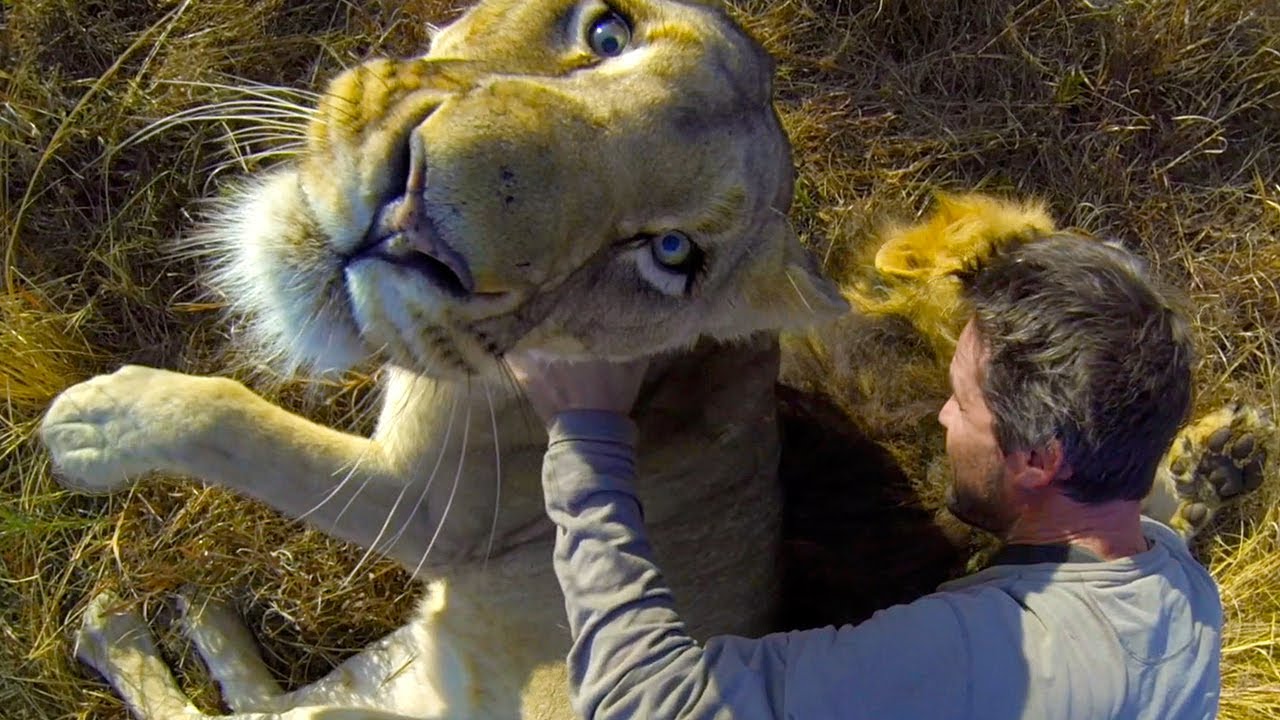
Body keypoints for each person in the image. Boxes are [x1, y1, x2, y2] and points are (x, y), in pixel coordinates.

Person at [508, 232, 1222, 720]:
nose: (943, 416)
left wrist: (586, 434)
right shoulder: (1185, 594)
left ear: (1038, 461)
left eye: (963, 402)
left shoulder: (986, 654)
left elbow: (646, 701)